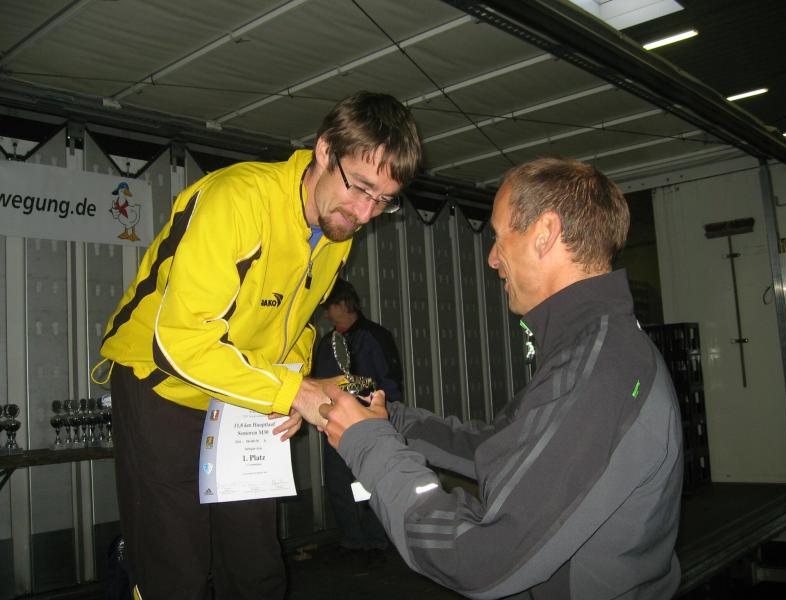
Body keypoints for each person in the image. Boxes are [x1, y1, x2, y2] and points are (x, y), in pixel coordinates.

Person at [93, 91, 422, 600]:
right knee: (175, 567)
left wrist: (291, 382)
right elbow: (179, 341)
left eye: (384, 200)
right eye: (360, 187)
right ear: (324, 151)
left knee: (255, 562)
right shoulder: (237, 200)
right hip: (162, 383)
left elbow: (293, 323)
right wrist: (291, 392)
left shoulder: (337, 230)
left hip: (243, 391)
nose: (364, 212)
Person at [321, 158, 683, 599]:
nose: (493, 258)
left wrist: (369, 445)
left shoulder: (601, 368)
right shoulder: (589, 348)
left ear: (545, 233)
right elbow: (497, 446)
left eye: (498, 236)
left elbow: (479, 560)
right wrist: (388, 420)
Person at [311, 279, 403, 568]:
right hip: (334, 426)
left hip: (368, 425)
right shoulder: (326, 344)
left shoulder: (374, 336)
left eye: (329, 307)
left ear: (344, 303)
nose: (327, 314)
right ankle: (352, 540)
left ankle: (376, 540)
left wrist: (386, 419)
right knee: (338, 483)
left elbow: (390, 382)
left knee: (369, 482)